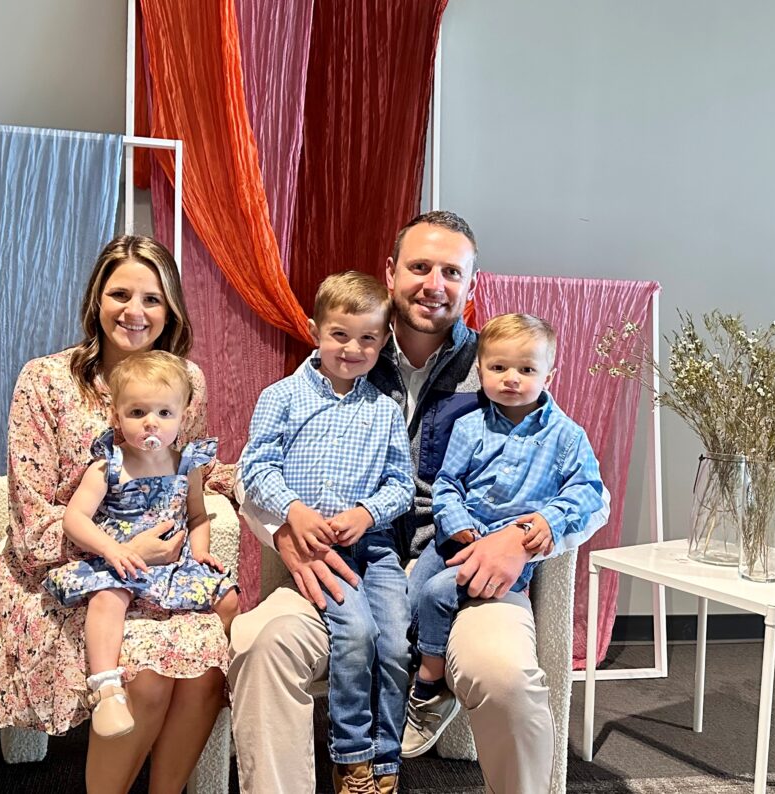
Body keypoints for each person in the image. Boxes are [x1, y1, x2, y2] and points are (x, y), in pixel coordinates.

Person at [228, 211, 610, 794]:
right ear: (391, 273)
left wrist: (525, 538)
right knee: (262, 642)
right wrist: (283, 532)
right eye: (420, 267)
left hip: (462, 571)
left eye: (451, 272)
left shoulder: (499, 364)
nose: (434, 284)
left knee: (505, 676)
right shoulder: (348, 349)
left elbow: (590, 493)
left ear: (471, 285)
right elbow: (252, 471)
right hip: (344, 563)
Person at [0, 236, 236, 794]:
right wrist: (123, 552)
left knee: (209, 668)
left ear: (171, 310)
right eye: (120, 294)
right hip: (67, 575)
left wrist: (259, 486)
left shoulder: (186, 378)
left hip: (162, 575)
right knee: (148, 676)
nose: (135, 312)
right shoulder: (45, 381)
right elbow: (31, 518)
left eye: (152, 299)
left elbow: (184, 469)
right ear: (96, 299)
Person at [239, 272, 414, 794]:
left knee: (396, 641)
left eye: (368, 338)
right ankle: (352, 756)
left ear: (383, 341)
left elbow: (401, 484)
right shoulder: (282, 397)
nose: (353, 349)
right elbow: (255, 468)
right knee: (356, 633)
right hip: (319, 548)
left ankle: (386, 758)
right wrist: (293, 511)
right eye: (340, 334)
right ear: (315, 330)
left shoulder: (384, 410)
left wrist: (367, 512)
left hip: (374, 547)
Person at [401, 313, 604, 759]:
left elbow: (589, 491)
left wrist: (547, 520)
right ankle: (413, 666)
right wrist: (455, 521)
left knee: (436, 594)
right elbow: (447, 485)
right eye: (498, 368)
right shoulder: (469, 425)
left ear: (549, 374)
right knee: (408, 597)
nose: (511, 378)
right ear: (481, 370)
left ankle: (432, 687)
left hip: (507, 551)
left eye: (526, 369)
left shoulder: (566, 436)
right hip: (455, 536)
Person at [43, 350, 239, 740]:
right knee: (107, 598)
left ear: (182, 417)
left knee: (229, 598)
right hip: (123, 559)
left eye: (164, 413)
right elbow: (75, 518)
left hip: (174, 564)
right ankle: (106, 689)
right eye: (137, 412)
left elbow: (197, 517)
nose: (151, 422)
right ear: (116, 417)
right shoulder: (108, 467)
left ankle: (229, 675)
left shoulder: (187, 466)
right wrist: (111, 550)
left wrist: (200, 551)